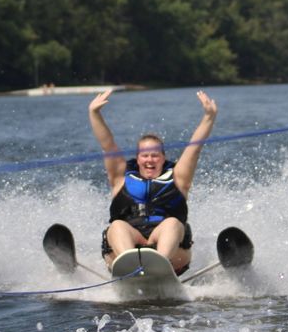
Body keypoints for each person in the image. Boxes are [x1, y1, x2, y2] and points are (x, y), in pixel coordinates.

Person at [89, 89, 218, 275]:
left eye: (155, 155)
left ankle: (159, 267)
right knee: (117, 226)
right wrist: (94, 113)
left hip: (171, 252)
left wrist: (209, 116)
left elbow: (194, 148)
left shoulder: (178, 178)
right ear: (138, 158)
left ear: (163, 157)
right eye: (145, 155)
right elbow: (107, 144)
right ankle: (131, 266)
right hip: (127, 243)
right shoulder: (120, 177)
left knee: (172, 223)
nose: (150, 160)